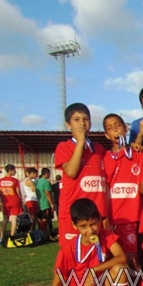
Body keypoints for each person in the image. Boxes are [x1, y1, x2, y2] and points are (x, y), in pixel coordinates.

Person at [48, 198, 128, 286]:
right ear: (75, 226)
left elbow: (122, 257)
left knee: (120, 270)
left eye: (93, 224)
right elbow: (57, 282)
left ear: (99, 220)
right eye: (83, 226)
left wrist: (94, 269)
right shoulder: (68, 249)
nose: (90, 230)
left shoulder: (105, 236)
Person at [54, 103, 108, 246]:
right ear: (68, 125)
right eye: (76, 120)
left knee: (99, 254)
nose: (82, 124)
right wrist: (80, 142)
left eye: (86, 119)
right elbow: (71, 172)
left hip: (96, 215)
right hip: (74, 215)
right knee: (73, 254)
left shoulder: (99, 149)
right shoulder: (64, 147)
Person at [102, 113, 143, 270]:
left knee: (133, 259)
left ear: (126, 128)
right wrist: (105, 216)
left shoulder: (137, 154)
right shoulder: (105, 157)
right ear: (106, 135)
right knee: (109, 258)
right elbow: (105, 189)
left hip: (131, 218)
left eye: (118, 126)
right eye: (110, 128)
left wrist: (139, 138)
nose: (115, 130)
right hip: (111, 217)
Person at [0, 164, 23, 239]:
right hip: (15, 201)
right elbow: (18, 192)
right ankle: (12, 235)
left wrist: (1, 201)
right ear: (10, 171)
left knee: (5, 219)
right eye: (14, 170)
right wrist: (21, 200)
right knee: (14, 218)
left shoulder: (0, 181)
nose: (15, 172)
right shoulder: (15, 180)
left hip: (6, 202)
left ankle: (1, 236)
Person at [36, 168, 55, 232]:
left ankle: (41, 232)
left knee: (40, 219)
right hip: (45, 203)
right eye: (49, 173)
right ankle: (48, 233)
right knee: (47, 219)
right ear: (47, 173)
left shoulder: (37, 181)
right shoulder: (46, 182)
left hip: (39, 203)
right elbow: (47, 193)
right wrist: (51, 204)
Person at [20, 167, 38, 232]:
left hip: (29, 199)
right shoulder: (29, 181)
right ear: (32, 173)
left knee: (33, 215)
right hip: (32, 199)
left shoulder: (25, 181)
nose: (36, 176)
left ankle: (31, 229)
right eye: (35, 174)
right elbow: (34, 189)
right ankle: (31, 230)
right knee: (33, 216)